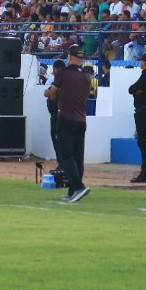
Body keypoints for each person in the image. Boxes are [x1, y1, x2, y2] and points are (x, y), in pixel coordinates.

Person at [44, 45, 92, 202]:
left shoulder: (63, 73)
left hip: (66, 117)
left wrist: (49, 93)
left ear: (69, 57)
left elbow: (52, 94)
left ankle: (78, 186)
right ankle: (73, 191)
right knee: (78, 156)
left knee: (65, 155)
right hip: (81, 119)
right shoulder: (86, 76)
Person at [127, 53, 146, 183]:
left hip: (143, 112)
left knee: (144, 143)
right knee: (145, 143)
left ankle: (145, 174)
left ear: (145, 62)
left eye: (141, 61)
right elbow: (134, 90)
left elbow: (131, 89)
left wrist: (136, 92)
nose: (140, 63)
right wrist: (136, 92)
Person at [45, 59, 66, 157]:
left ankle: (61, 161)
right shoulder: (57, 80)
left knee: (58, 138)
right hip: (56, 114)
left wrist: (50, 93)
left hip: (59, 114)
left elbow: (50, 94)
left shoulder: (61, 80)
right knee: (55, 137)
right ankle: (60, 160)